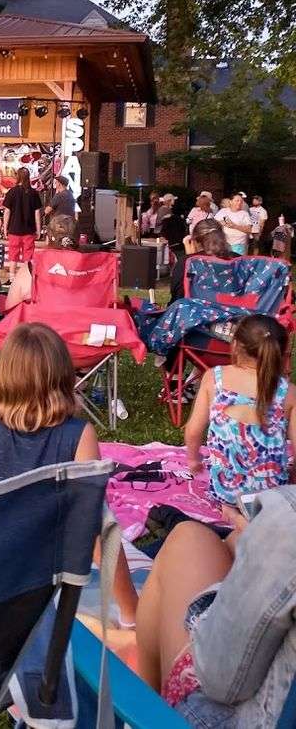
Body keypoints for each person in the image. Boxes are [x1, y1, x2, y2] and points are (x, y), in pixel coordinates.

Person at [0, 322, 138, 627]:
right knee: (100, 519)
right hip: (47, 568)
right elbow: (90, 525)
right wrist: (131, 608)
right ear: (64, 375)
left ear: (4, 374)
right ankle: (131, 613)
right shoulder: (80, 435)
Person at [136, 489, 296, 724]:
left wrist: (265, 540)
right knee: (233, 542)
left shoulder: (287, 520)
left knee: (187, 539)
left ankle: (141, 710)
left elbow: (220, 680)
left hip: (236, 717)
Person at [184, 314, 296, 508]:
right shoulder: (289, 392)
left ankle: (230, 511)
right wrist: (293, 474)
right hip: (273, 495)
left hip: (225, 489)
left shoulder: (214, 378)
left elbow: (193, 430)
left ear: (235, 345)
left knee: (229, 501)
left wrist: (193, 460)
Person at [169, 217, 234, 304]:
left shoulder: (186, 263)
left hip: (195, 310)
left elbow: (178, 295)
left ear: (194, 241)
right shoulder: (237, 260)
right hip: (233, 310)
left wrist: (190, 259)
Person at [2, 167, 42, 279]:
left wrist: (5, 228)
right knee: (28, 256)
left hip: (14, 229)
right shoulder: (33, 193)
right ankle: (26, 278)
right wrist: (38, 230)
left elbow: (7, 212)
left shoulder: (12, 192)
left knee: (13, 255)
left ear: (17, 177)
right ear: (28, 177)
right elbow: (37, 213)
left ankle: (11, 278)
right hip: (29, 230)